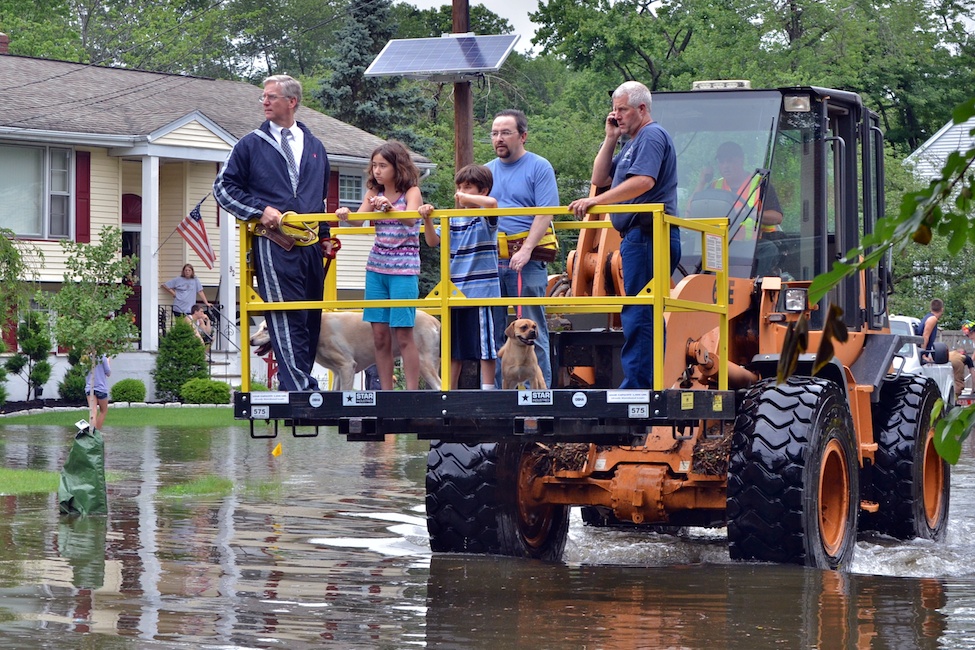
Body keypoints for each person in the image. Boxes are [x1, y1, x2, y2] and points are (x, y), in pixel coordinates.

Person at [213, 74, 330, 391]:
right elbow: (223, 189)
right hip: (273, 244)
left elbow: (320, 199)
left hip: (311, 246)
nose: (264, 101)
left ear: (291, 102)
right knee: (285, 314)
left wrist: (327, 237)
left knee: (310, 316)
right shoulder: (250, 144)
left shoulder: (316, 146)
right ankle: (297, 386)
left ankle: (300, 381)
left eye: (271, 97)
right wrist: (260, 211)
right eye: (263, 97)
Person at [568, 80, 680, 389]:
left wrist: (595, 202)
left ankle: (639, 388)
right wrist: (610, 137)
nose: (616, 115)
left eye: (622, 109)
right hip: (636, 237)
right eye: (614, 109)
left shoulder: (652, 136)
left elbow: (643, 181)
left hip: (648, 235)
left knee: (639, 311)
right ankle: (642, 382)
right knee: (638, 310)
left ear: (642, 109)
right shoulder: (631, 144)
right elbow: (600, 176)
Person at [336, 141, 423, 390]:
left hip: (404, 270)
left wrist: (390, 208)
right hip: (376, 268)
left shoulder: (411, 191)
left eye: (383, 166)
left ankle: (411, 394)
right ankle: (386, 392)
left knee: (404, 334)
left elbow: (410, 219)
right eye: (374, 165)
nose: (377, 171)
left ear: (398, 167)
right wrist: (346, 214)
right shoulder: (374, 193)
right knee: (379, 335)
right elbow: (358, 221)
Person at [485, 109, 559, 389]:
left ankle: (539, 399)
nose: (499, 138)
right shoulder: (488, 170)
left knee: (532, 329)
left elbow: (546, 212)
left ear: (523, 136)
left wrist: (527, 249)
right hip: (492, 260)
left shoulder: (539, 167)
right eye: (494, 133)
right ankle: (496, 396)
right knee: (494, 329)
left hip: (526, 260)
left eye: (505, 132)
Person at [420, 164, 500, 390]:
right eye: (459, 187)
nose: (460, 192)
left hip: (481, 293)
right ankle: (449, 391)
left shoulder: (486, 218)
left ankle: (488, 390)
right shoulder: (452, 219)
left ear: (482, 191)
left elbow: (493, 204)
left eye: (468, 188)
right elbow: (432, 241)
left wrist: (466, 197)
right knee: (453, 347)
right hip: (455, 292)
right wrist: (427, 218)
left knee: (485, 346)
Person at [689, 141, 783, 276]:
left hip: (749, 246)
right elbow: (691, 211)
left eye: (730, 161)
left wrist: (749, 213)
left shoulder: (760, 185)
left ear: (741, 160)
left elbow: (777, 217)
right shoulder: (714, 186)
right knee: (686, 247)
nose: (725, 166)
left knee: (769, 249)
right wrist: (702, 182)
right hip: (719, 245)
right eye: (722, 162)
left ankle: (753, 285)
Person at [85, 355, 111, 430]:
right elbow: (108, 373)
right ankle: (96, 432)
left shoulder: (85, 358)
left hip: (90, 387)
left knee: (93, 411)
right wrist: (108, 362)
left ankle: (92, 432)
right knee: (103, 411)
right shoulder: (103, 358)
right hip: (101, 388)